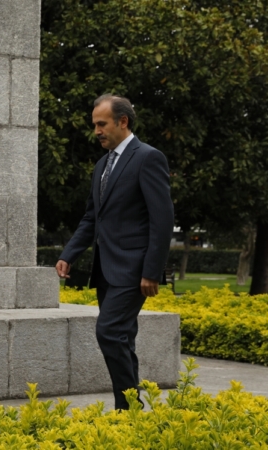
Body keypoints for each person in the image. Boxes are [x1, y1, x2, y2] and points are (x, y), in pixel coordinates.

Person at [55, 94, 174, 410]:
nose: (96, 131)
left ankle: (127, 407)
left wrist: (152, 271)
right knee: (122, 338)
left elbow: (162, 221)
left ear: (123, 122)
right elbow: (92, 218)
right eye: (94, 125)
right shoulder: (101, 166)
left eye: (101, 123)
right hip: (107, 270)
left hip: (134, 270)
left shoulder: (148, 158)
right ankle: (132, 411)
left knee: (108, 332)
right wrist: (69, 253)